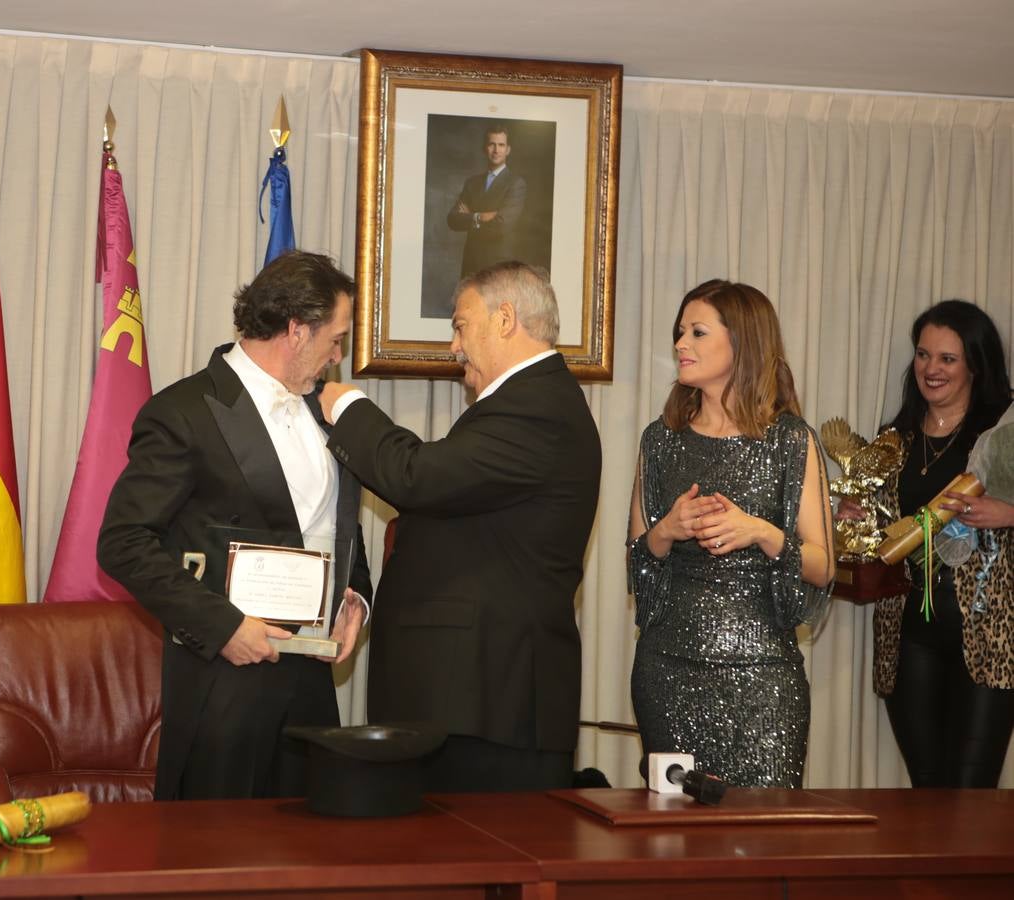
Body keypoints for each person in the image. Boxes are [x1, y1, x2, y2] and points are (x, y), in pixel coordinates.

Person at [98, 250, 372, 801]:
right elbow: (122, 543)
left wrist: (356, 599)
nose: (339, 356)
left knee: (311, 867)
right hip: (225, 686)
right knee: (217, 865)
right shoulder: (184, 411)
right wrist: (223, 627)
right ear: (297, 331)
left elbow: (335, 524)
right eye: (335, 339)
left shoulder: (330, 410)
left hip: (312, 686)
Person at [319, 261, 600, 792]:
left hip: (488, 704)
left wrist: (350, 408)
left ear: (505, 319)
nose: (453, 346)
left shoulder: (536, 408)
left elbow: (418, 477)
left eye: (460, 325)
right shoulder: (526, 403)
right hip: (470, 701)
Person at [626, 279, 834, 788]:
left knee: (766, 844)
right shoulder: (660, 440)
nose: (680, 344)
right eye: (679, 332)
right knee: (671, 843)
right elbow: (636, 562)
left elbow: (825, 566)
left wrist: (761, 532)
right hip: (668, 672)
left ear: (743, 342)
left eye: (697, 332)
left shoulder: (791, 441)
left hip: (763, 678)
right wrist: (666, 531)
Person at [843, 300, 1014, 787]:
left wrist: (1008, 514)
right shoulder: (892, 440)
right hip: (908, 636)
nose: (930, 369)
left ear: (976, 365)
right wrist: (856, 518)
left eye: (946, 359)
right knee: (928, 789)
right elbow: (882, 533)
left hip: (988, 636)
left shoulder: (1004, 434)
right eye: (922, 355)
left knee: (973, 792)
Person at [446, 123, 527, 278]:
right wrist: (480, 216)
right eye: (492, 144)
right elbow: (452, 220)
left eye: (501, 145)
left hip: (498, 266)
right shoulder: (472, 183)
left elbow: (502, 225)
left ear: (508, 150)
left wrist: (470, 217)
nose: (496, 150)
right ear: (485, 148)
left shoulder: (516, 184)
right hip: (471, 264)